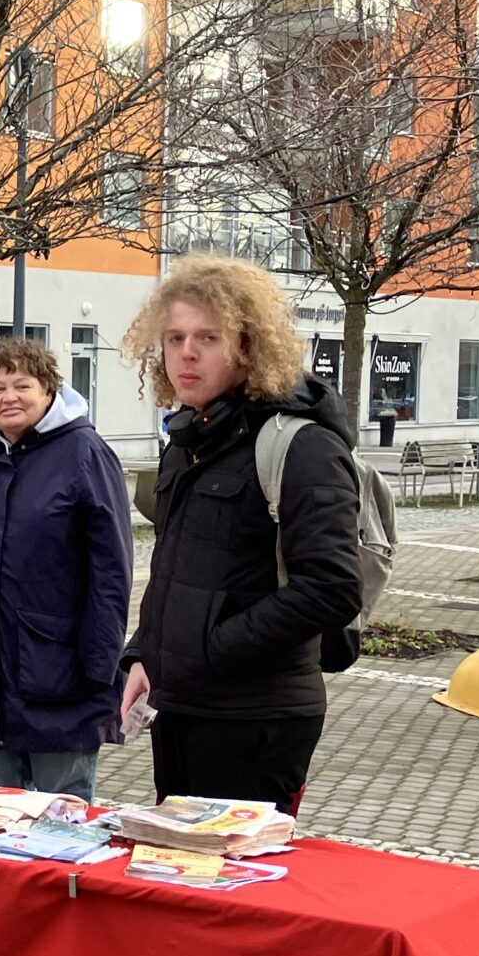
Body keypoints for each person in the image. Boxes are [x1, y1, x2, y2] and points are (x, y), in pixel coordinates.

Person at [118, 259, 363, 809]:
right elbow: (176, 572)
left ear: (248, 346)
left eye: (208, 338)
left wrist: (212, 648)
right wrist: (143, 655)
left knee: (229, 862)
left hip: (256, 719)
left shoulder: (302, 445)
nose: (186, 353)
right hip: (180, 707)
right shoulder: (190, 439)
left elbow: (332, 587)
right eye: (175, 338)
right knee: (176, 858)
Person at [0, 336, 133, 798]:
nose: (9, 397)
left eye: (23, 386)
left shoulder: (86, 454)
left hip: (61, 669)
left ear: (49, 390)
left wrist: (100, 664)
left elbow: (111, 571)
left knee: (62, 815)